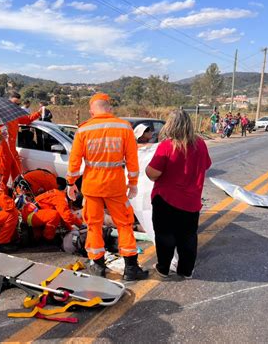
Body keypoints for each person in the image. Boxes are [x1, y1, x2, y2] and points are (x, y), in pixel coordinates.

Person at [66, 92, 148, 280]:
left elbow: (75, 161)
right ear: (109, 108)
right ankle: (131, 268)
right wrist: (133, 183)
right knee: (124, 224)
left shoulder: (84, 129)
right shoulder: (124, 127)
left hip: (92, 187)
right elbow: (132, 160)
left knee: (93, 225)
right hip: (116, 186)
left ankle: (97, 265)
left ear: (91, 111)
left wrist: (70, 183)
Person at [145, 109, 211, 279]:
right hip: (191, 200)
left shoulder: (167, 146)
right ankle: (186, 270)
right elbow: (206, 165)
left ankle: (163, 268)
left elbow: (153, 173)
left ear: (170, 125)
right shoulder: (200, 143)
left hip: (166, 199)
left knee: (165, 235)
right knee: (188, 236)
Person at [0, 92, 42, 187]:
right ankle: (2, 198)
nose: (16, 106)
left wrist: (39, 113)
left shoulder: (15, 115)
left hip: (12, 150)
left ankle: (17, 195)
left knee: (18, 176)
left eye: (18, 104)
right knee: (3, 178)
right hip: (3, 151)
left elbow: (27, 119)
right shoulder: (0, 115)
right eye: (14, 103)